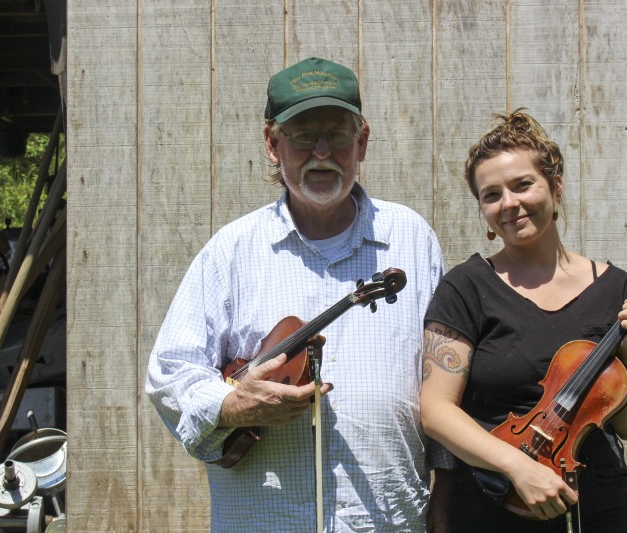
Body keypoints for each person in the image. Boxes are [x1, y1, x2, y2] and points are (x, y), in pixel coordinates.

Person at [146, 57, 446, 532]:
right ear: (272, 144)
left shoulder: (411, 239)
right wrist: (231, 404)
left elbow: (446, 384)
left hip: (386, 521)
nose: (322, 152)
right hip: (265, 521)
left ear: (361, 142)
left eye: (338, 135)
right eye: (303, 136)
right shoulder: (232, 250)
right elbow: (169, 373)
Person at [420, 110, 627, 532]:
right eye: (491, 195)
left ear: (556, 186)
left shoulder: (616, 287)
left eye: (522, 185)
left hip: (600, 503)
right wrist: (518, 467)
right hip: (496, 501)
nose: (509, 203)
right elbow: (437, 410)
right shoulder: (466, 287)